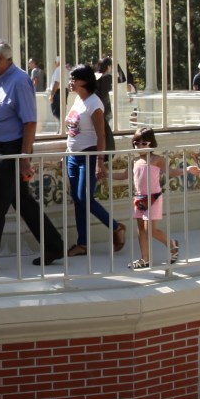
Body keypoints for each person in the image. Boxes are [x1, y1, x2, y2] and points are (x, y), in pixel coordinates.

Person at [0, 40, 65, 274]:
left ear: (1, 59)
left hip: (12, 151)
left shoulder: (18, 81)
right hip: (1, 149)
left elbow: (29, 121)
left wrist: (24, 157)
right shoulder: (3, 81)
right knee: (22, 201)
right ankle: (54, 245)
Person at [64, 64, 125, 256]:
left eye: (74, 78)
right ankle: (82, 243)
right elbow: (73, 130)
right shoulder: (77, 100)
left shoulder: (94, 103)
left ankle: (116, 227)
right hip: (73, 157)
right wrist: (67, 152)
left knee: (84, 198)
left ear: (84, 81)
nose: (70, 81)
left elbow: (101, 135)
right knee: (78, 199)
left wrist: (100, 162)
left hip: (89, 156)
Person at [128, 126, 179, 268]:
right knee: (141, 229)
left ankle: (172, 244)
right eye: (136, 143)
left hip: (153, 198)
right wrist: (105, 174)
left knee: (150, 229)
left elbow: (170, 172)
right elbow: (123, 175)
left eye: (143, 143)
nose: (139, 146)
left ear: (151, 143)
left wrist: (187, 170)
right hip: (139, 198)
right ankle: (145, 258)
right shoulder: (134, 161)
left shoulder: (157, 159)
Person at [48, 57, 64, 124]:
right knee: (61, 111)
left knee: (56, 111)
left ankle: (63, 125)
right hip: (62, 91)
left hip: (58, 92)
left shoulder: (58, 69)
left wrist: (52, 95)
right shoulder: (64, 69)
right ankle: (62, 127)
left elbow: (56, 83)